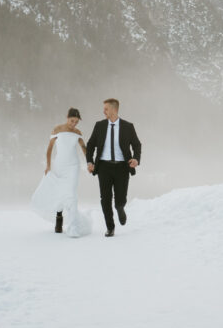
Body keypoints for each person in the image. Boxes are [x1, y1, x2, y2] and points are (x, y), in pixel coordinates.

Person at [30, 108, 92, 237]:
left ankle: (73, 227)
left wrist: (89, 162)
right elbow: (49, 149)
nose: (73, 124)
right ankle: (59, 219)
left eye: (76, 122)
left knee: (72, 194)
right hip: (59, 166)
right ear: (67, 117)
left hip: (73, 166)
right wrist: (48, 166)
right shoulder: (57, 129)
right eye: (72, 121)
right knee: (59, 191)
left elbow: (84, 148)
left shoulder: (77, 132)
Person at [85, 98, 142, 237]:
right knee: (105, 198)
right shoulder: (99, 126)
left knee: (120, 199)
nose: (103, 111)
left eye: (106, 109)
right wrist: (90, 162)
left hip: (122, 167)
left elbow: (137, 145)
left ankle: (120, 208)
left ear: (114, 110)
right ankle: (110, 227)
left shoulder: (128, 126)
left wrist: (136, 159)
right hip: (103, 167)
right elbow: (91, 144)